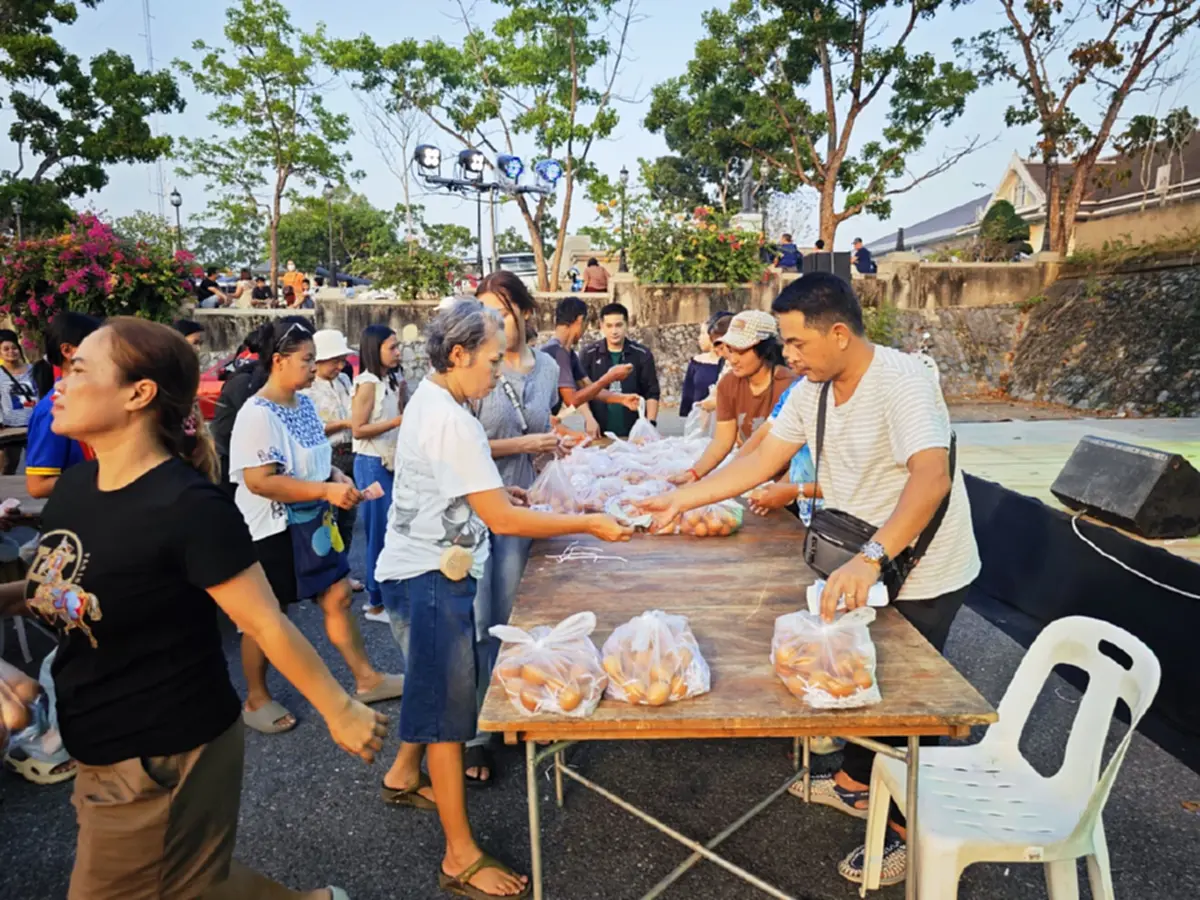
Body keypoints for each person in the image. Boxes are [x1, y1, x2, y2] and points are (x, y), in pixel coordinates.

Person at [0, 316, 383, 900]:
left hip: (160, 752)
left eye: (79, 369)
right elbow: (59, 590)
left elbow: (262, 619)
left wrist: (339, 708)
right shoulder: (78, 488)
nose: (60, 384)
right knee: (192, 883)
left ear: (139, 393)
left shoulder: (187, 505)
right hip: (95, 742)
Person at [641, 272, 979, 887]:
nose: (787, 354)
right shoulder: (813, 388)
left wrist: (873, 556)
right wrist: (684, 499)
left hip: (923, 566)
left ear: (841, 334)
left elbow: (930, 479)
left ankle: (908, 834)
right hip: (866, 558)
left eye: (795, 343)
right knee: (860, 673)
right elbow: (761, 460)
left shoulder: (903, 382)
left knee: (908, 704)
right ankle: (853, 781)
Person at [375, 298, 631, 899]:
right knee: (448, 713)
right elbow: (502, 521)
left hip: (426, 564)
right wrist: (587, 526)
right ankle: (458, 856)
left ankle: (403, 771)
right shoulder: (453, 418)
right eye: (491, 360)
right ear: (458, 355)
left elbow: (467, 493)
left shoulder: (437, 401)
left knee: (432, 684)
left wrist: (505, 502)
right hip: (433, 576)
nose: (498, 372)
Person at [229, 317, 404, 735]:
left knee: (338, 594)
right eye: (307, 360)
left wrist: (336, 479)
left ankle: (366, 679)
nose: (316, 367)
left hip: (312, 522)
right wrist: (325, 492)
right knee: (267, 615)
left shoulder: (304, 404)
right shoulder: (258, 414)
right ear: (278, 361)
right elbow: (260, 481)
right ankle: (255, 696)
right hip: (270, 529)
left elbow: (318, 457)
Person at [466, 271, 563, 784]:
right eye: (484, 315)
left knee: (529, 615)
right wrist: (526, 446)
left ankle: (522, 704)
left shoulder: (546, 366)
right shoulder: (475, 369)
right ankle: (477, 731)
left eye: (502, 312)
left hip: (531, 504)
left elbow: (543, 429)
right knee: (483, 620)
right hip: (481, 510)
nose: (495, 324)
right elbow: (462, 446)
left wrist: (554, 452)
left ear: (524, 311)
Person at [670, 310, 794, 486]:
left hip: (787, 481)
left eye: (741, 352)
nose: (733, 359)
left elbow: (800, 455)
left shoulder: (790, 387)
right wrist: (695, 473)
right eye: (730, 350)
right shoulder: (728, 384)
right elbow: (722, 441)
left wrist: (782, 489)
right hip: (750, 474)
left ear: (765, 349)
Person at [352, 324, 406, 623]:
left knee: (392, 528)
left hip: (389, 461)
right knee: (378, 532)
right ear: (375, 350)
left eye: (398, 347)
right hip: (371, 462)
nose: (398, 352)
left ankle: (385, 594)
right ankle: (376, 601)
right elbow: (357, 428)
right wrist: (398, 420)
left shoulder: (391, 379)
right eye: (392, 348)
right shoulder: (368, 383)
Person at [302, 329, 363, 594]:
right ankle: (325, 576)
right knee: (328, 521)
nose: (340, 366)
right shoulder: (307, 389)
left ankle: (342, 571)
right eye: (334, 360)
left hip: (350, 452)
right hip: (327, 459)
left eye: (342, 360)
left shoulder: (343, 383)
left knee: (348, 518)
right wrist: (343, 423)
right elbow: (310, 430)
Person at [26, 313, 102, 499]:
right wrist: (103, 475)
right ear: (68, 351)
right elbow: (38, 486)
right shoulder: (52, 409)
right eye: (98, 346)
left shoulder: (98, 398)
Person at [538, 296, 639, 436]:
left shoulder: (568, 353)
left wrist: (621, 399)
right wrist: (609, 378)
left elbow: (589, 388)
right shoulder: (558, 352)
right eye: (585, 323)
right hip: (537, 426)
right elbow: (572, 400)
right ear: (580, 320)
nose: (585, 329)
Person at [579, 302, 660, 439]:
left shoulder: (642, 354)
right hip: (599, 432)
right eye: (609, 326)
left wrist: (650, 425)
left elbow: (652, 392)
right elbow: (581, 391)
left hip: (634, 434)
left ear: (627, 325)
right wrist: (589, 419)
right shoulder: (589, 354)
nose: (614, 331)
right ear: (601, 326)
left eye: (619, 325)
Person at [0, 329, 38, 474]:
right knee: (8, 465)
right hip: (11, 428)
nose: (11, 352)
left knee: (37, 463)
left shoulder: (33, 370)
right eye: (6, 349)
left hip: (34, 424)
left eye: (14, 348)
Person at [678, 321, 723, 418]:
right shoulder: (696, 362)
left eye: (703, 333)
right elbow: (688, 393)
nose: (699, 338)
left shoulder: (728, 364)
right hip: (698, 418)